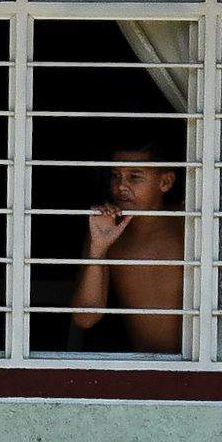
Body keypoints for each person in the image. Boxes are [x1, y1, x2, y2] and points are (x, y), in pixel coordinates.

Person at [67, 146, 187, 353]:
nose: (121, 186)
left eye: (134, 177)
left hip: (204, 368)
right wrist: (99, 248)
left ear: (165, 182)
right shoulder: (107, 232)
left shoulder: (190, 225)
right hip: (143, 368)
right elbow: (85, 318)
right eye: (116, 175)